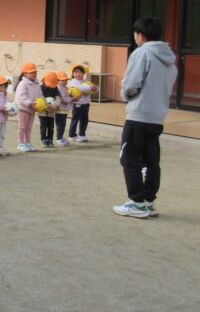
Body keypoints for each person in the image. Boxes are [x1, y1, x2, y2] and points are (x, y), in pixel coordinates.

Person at [113, 17, 177, 219]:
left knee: (129, 157)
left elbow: (131, 83)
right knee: (151, 161)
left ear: (140, 35)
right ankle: (148, 201)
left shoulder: (141, 53)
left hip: (139, 114)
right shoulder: (169, 59)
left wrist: (126, 95)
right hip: (157, 116)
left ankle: (137, 202)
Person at [15, 62, 42, 152]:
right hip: (24, 108)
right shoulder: (23, 84)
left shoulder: (36, 84)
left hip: (32, 109)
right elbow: (22, 96)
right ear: (25, 74)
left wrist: (42, 103)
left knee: (29, 127)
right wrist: (30, 104)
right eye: (31, 72)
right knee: (22, 126)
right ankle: (20, 143)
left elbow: (40, 95)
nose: (34, 74)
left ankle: (27, 143)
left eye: (35, 72)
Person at [68, 64, 98, 142]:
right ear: (73, 74)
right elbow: (79, 88)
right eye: (76, 72)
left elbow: (94, 88)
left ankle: (82, 134)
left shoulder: (86, 82)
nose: (78, 74)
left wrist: (95, 88)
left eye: (80, 72)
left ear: (83, 74)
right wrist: (90, 87)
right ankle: (72, 135)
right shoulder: (73, 82)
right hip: (78, 103)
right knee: (75, 119)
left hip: (86, 103)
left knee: (84, 120)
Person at [39, 72, 60, 148]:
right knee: (43, 126)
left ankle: (50, 140)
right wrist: (48, 105)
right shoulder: (42, 87)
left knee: (51, 127)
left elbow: (58, 97)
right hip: (43, 111)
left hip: (52, 111)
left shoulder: (55, 87)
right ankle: (43, 140)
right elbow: (40, 98)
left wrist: (56, 105)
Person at [54, 71, 75, 146]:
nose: (65, 82)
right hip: (59, 110)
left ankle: (61, 137)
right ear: (57, 81)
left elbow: (69, 96)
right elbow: (64, 100)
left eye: (66, 80)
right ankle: (59, 138)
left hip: (64, 110)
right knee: (60, 125)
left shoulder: (66, 88)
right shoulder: (58, 89)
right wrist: (73, 99)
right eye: (62, 80)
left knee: (63, 124)